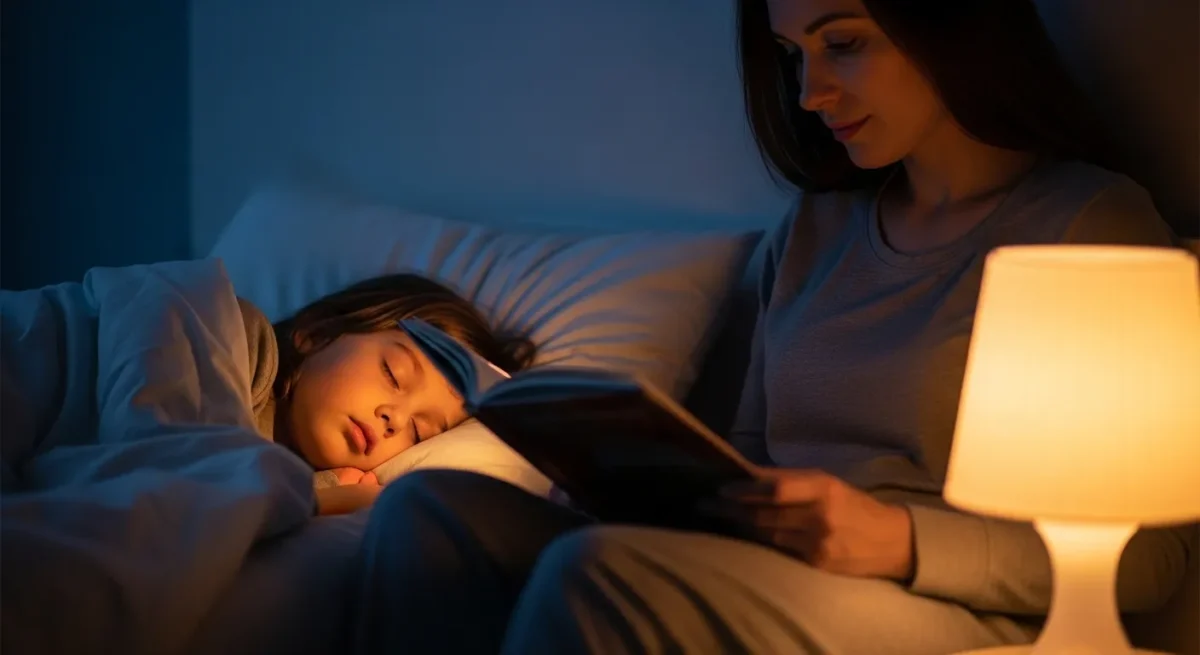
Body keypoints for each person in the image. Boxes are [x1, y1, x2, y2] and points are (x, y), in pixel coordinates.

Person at [348, 0, 1194, 652]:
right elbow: (752, 448)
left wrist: (897, 538)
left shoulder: (1083, 223)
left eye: (845, 43)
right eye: (794, 56)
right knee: (428, 512)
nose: (811, 91)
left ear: (949, 24)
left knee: (595, 572)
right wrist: (636, 484)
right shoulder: (813, 230)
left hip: (938, 604)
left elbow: (1148, 562)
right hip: (766, 564)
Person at [239, 273, 534, 515]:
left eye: (419, 432)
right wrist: (320, 499)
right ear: (318, 334)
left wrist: (325, 491)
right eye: (394, 374)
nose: (396, 419)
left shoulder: (327, 489)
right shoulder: (241, 345)